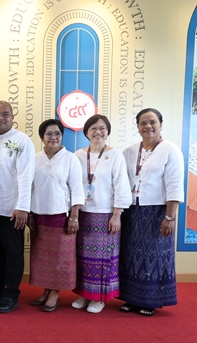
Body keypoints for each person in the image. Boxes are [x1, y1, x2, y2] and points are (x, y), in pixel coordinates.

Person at [120, 108, 184, 316]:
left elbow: (174, 186)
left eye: (152, 122)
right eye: (143, 123)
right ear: (137, 127)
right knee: (130, 255)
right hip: (131, 210)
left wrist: (169, 217)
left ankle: (149, 301)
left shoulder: (170, 150)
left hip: (157, 211)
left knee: (153, 256)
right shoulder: (129, 151)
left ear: (161, 124)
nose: (148, 126)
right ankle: (131, 299)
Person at [0, 100, 34, 313]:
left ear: (12, 118)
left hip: (11, 209)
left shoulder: (22, 141)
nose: (0, 117)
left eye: (6, 114)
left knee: (13, 252)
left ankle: (11, 293)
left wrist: (23, 207)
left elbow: (26, 175)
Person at [72, 115, 131, 313]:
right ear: (86, 132)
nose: (98, 131)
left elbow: (121, 186)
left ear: (108, 131)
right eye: (94, 128)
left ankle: (99, 297)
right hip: (83, 213)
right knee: (82, 256)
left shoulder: (115, 155)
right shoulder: (78, 155)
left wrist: (117, 215)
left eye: (103, 128)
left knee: (103, 258)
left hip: (105, 213)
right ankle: (85, 294)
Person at [28, 119, 84, 312]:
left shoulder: (70, 159)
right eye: (49, 134)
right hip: (38, 215)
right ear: (42, 137)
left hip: (62, 216)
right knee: (42, 258)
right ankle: (45, 290)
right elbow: (29, 187)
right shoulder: (34, 158)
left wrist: (74, 217)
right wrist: (28, 213)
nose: (53, 137)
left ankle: (55, 293)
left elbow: (77, 188)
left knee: (59, 258)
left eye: (57, 134)